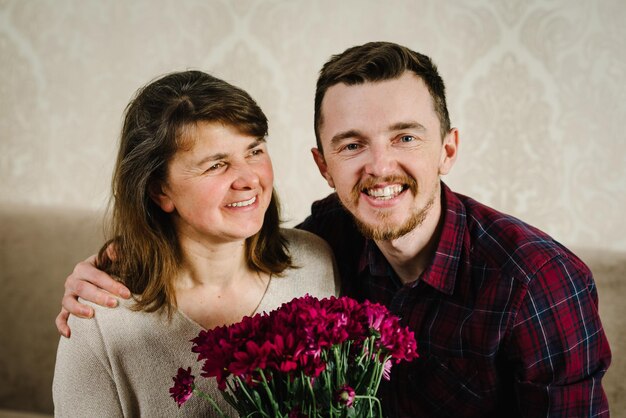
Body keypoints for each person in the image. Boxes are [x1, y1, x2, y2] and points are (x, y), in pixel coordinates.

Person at [56, 42, 611, 417]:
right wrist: (110, 264)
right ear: (323, 165)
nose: (380, 167)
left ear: (448, 148)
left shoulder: (537, 284)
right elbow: (227, 247)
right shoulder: (329, 242)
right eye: (352, 144)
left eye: (405, 137)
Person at [52, 70, 339, 417]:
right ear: (160, 190)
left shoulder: (318, 263)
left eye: (255, 151)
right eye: (217, 165)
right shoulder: (98, 319)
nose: (249, 179)